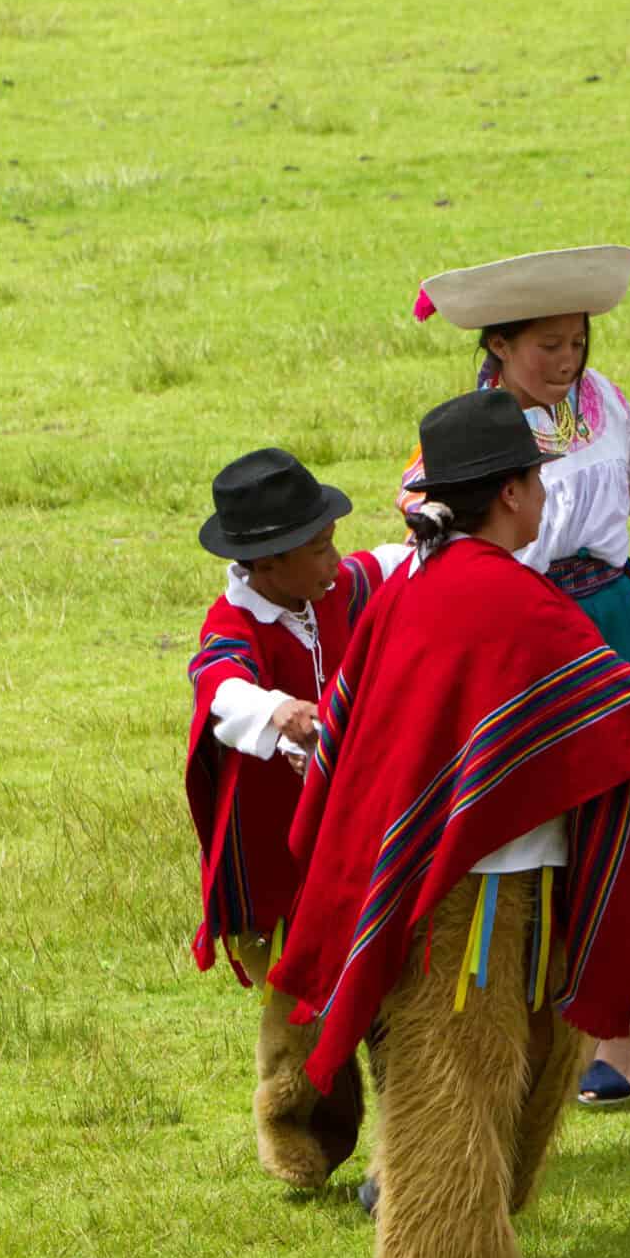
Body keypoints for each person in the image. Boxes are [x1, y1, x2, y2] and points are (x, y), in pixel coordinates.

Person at [273, 390, 630, 1258]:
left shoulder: (422, 580)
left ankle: (453, 1212)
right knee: (462, 1062)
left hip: (443, 868)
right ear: (509, 492)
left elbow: (350, 725)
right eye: (538, 478)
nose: (546, 493)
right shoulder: (501, 594)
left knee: (514, 1050)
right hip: (474, 886)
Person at [408, 243, 630, 1106]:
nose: (566, 363)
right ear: (497, 345)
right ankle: (526, 1031)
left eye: (577, 343)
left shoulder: (600, 404)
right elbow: (429, 514)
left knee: (619, 829)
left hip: (605, 628)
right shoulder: (472, 428)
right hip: (521, 636)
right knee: (531, 833)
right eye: (547, 347)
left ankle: (616, 1035)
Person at [184, 448, 404, 1190]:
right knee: (301, 996)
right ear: (265, 565)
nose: (334, 558)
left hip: (362, 832)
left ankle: (406, 1140)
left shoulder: (343, 585)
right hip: (286, 858)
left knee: (389, 981)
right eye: (318, 547)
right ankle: (293, 1122)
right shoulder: (234, 623)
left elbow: (396, 562)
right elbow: (219, 686)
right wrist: (279, 711)